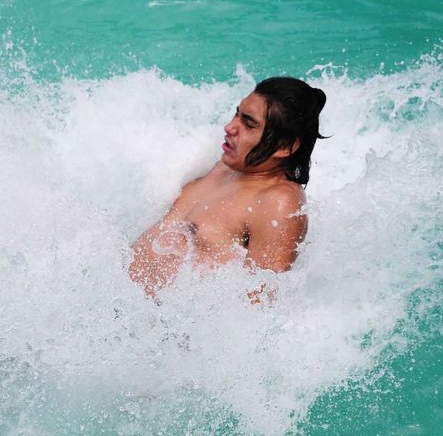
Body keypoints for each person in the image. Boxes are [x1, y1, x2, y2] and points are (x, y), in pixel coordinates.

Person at [129, 77, 327, 297]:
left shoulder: (279, 202)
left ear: (284, 147)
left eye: (249, 124)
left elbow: (259, 308)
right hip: (115, 311)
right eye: (237, 114)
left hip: (155, 327)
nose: (230, 127)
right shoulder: (224, 167)